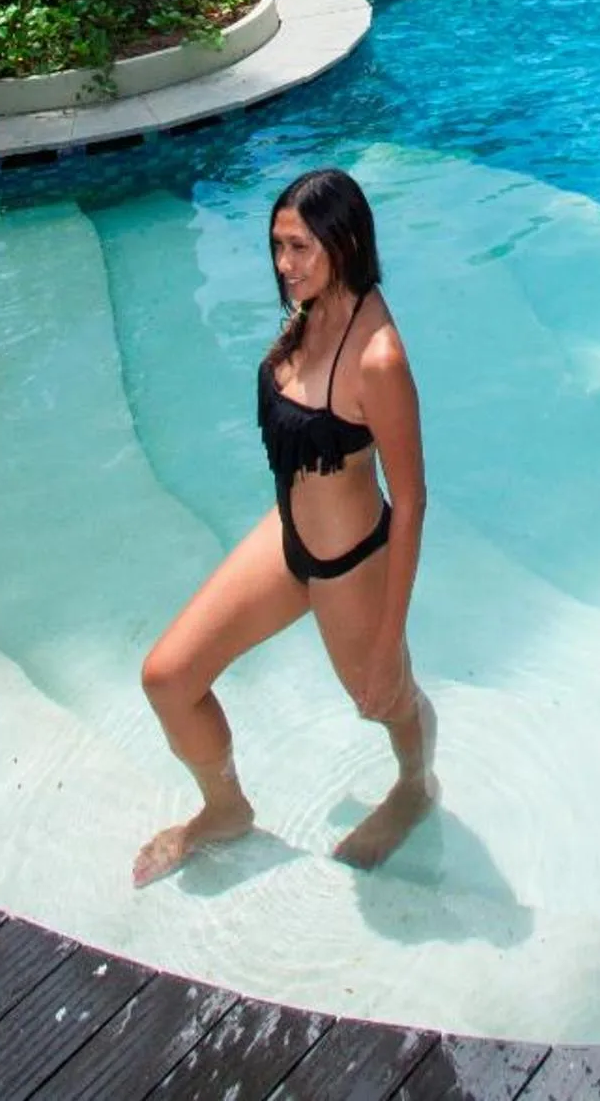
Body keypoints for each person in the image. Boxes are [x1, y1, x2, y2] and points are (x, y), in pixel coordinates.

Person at [134, 167, 436, 884]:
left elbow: (414, 499)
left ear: (347, 241)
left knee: (385, 700)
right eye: (277, 246)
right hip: (287, 538)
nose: (284, 265)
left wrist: (389, 638)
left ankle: (415, 787)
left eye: (300, 248)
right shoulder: (309, 308)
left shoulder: (379, 357)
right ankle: (225, 809)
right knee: (168, 678)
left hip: (349, 562)